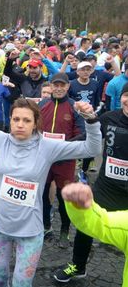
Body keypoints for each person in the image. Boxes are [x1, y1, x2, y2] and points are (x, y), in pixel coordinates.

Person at [0, 78, 101, 287]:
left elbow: (92, 149)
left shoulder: (47, 146)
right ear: (10, 120)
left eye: (26, 120)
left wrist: (91, 120)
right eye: (16, 119)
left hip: (30, 230)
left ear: (35, 123)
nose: (20, 124)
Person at [54, 82, 128, 284]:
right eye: (126, 95)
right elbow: (87, 137)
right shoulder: (109, 118)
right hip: (106, 189)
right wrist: (59, 149)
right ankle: (78, 266)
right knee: (86, 225)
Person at [61, 182, 128, 287]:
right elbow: (102, 223)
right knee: (83, 236)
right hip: (107, 189)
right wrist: (80, 205)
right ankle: (78, 266)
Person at [38, 73, 85, 247]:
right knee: (42, 193)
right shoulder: (42, 104)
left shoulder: (74, 107)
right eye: (55, 85)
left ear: (67, 87)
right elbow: (34, 129)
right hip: (44, 159)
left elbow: (82, 133)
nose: (58, 88)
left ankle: (65, 230)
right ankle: (46, 226)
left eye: (62, 85)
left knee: (64, 196)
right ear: (51, 86)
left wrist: (62, 147)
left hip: (65, 160)